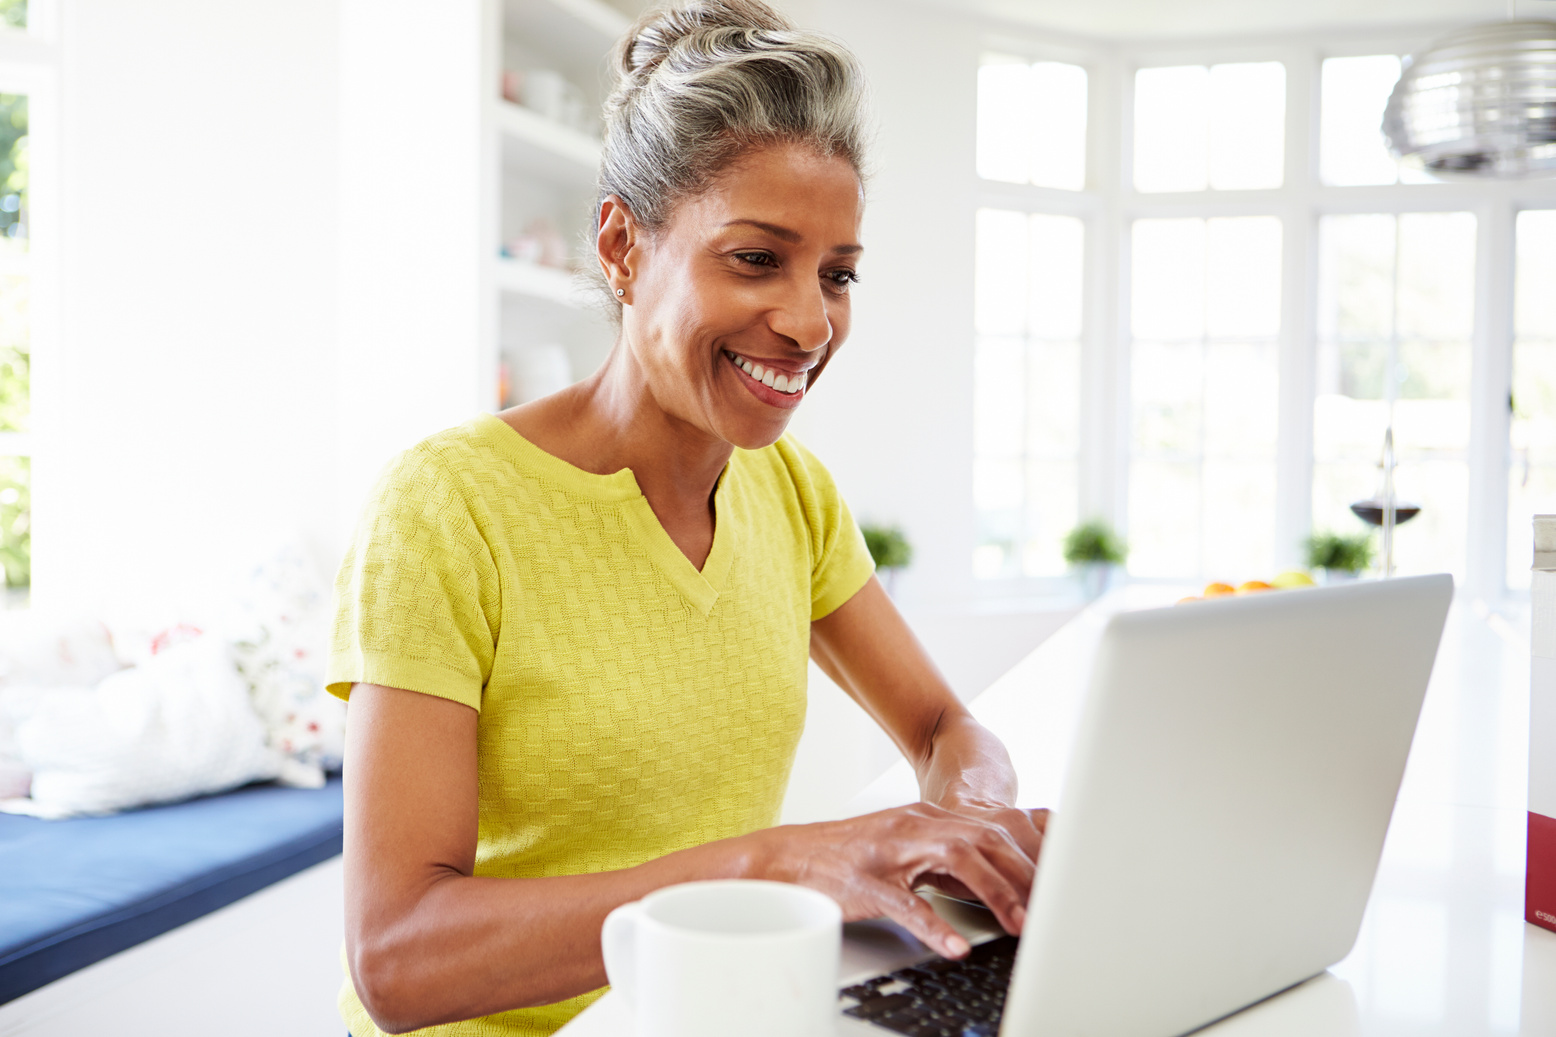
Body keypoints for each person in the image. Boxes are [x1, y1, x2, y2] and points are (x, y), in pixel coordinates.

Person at [327, 1, 1048, 1033]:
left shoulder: (789, 494)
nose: (808, 322)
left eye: (836, 273)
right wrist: (780, 862)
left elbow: (942, 725)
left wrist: (969, 822)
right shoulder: (448, 506)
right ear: (622, 245)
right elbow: (397, 958)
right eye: (755, 258)